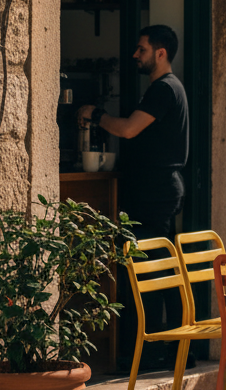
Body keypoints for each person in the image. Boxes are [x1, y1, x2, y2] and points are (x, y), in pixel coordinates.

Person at [78, 25, 189, 369]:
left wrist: (95, 115)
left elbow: (127, 129)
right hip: (157, 189)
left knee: (149, 270)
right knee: (159, 269)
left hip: (155, 192)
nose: (134, 55)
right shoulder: (167, 89)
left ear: (160, 53)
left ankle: (155, 351)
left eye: (141, 49)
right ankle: (170, 348)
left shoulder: (163, 89)